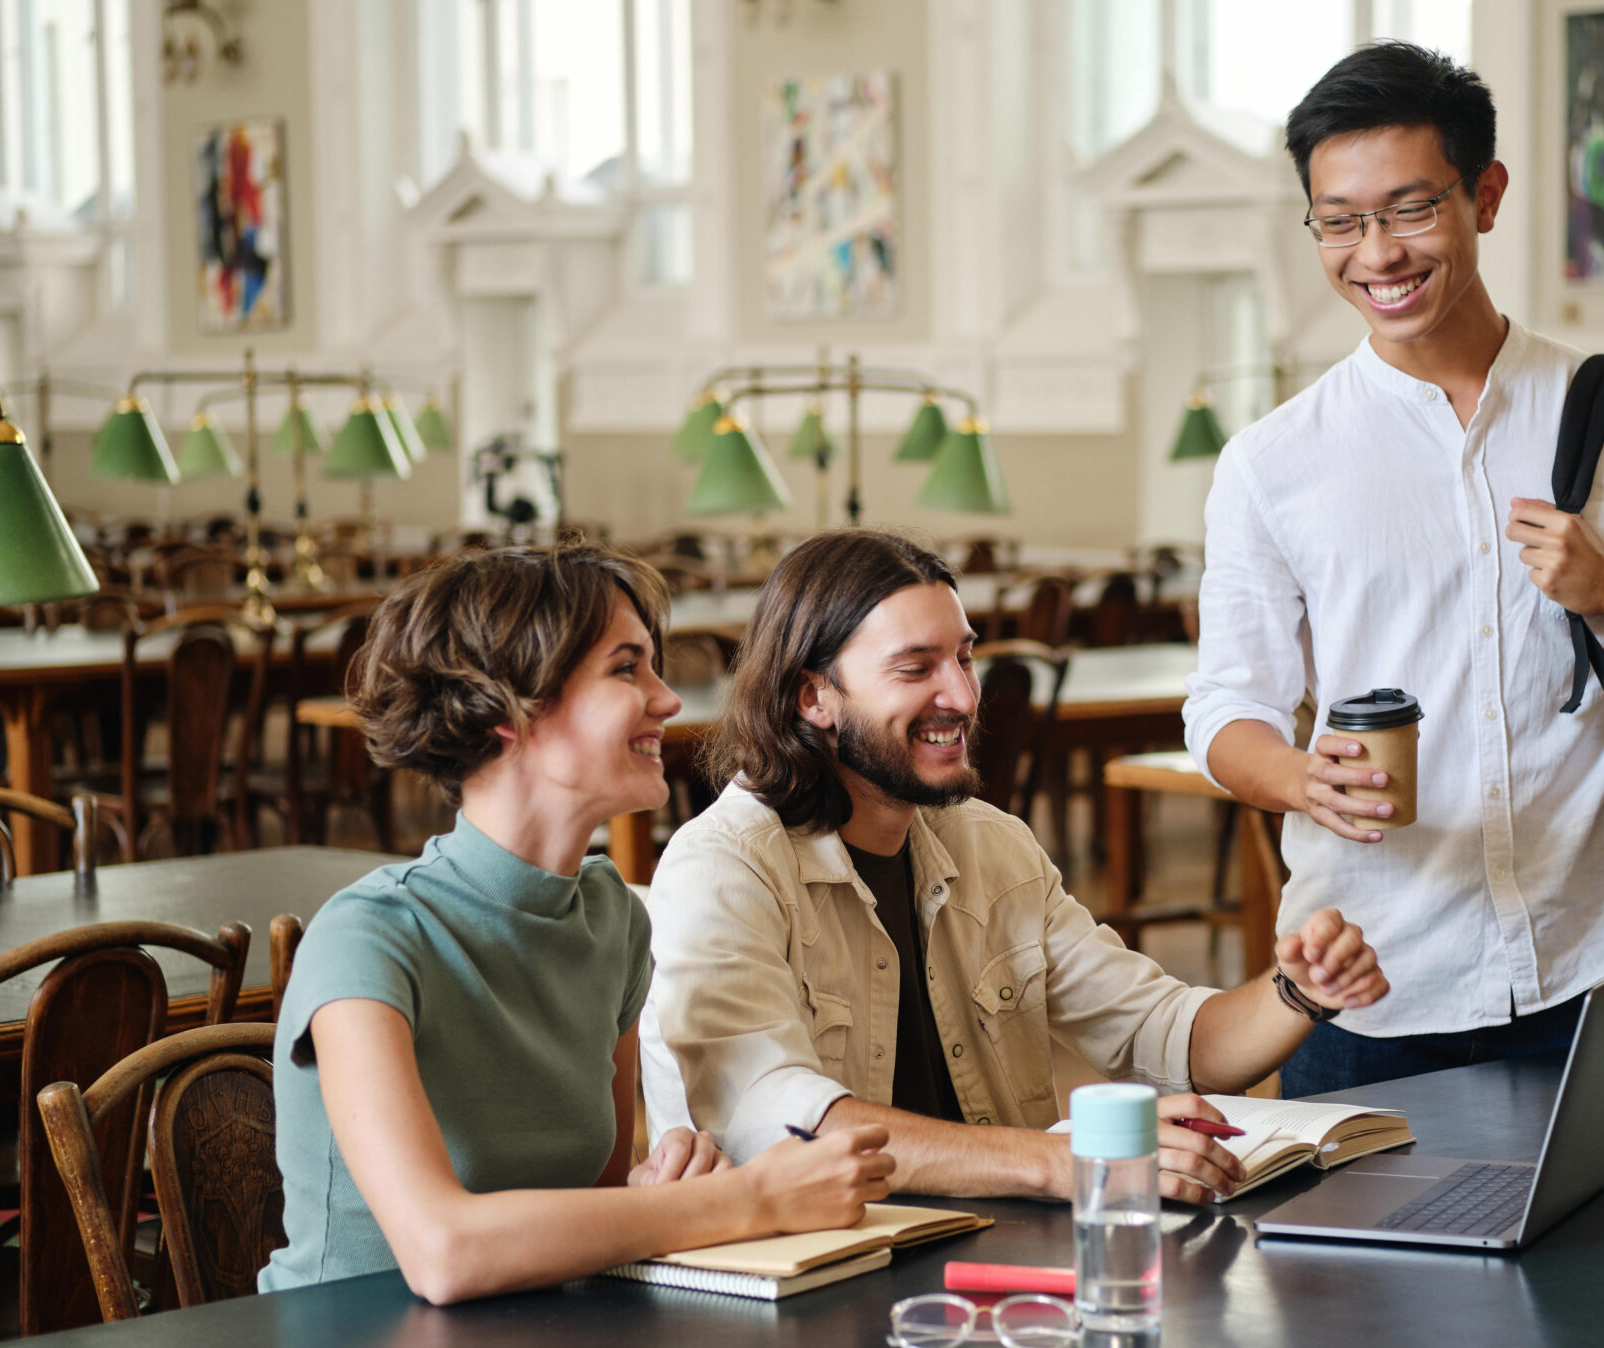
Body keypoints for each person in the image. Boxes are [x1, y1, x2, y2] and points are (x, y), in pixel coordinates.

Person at [1182, 42, 1604, 1098]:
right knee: (1362, 1271)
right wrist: (1302, 778)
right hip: (1369, 984)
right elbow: (1222, 712)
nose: (1374, 253)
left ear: (1485, 195)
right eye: (1337, 220)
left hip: (1593, 968)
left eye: (1408, 209)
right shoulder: (1270, 463)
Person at [641, 529, 1389, 1205]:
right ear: (815, 696)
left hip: (991, 1268)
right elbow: (788, 1123)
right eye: (916, 668)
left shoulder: (988, 844)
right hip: (818, 1289)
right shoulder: (722, 869)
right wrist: (1060, 1160)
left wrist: (1300, 990)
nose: (965, 695)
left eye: (965, 656)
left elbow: (1172, 1037)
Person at [262, 544, 893, 1303]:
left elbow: (596, 1212)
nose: (667, 699)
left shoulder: (614, 921)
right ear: (502, 710)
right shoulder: (365, 937)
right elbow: (442, 1253)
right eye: (627, 669)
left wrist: (659, 1186)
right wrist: (742, 1200)